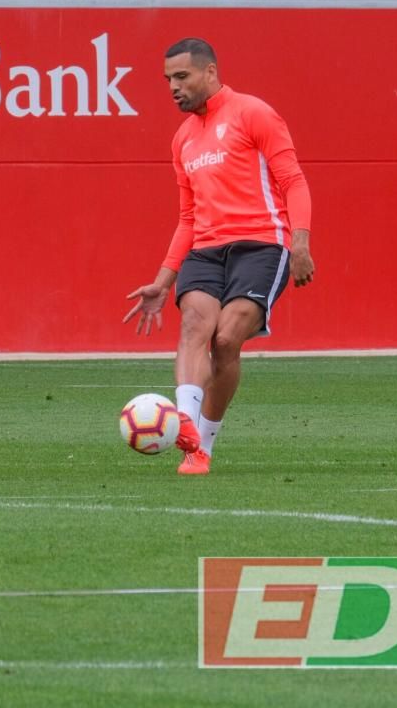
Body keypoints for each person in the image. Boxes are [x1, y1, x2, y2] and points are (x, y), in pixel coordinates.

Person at [124, 38, 315, 476]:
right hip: (206, 250)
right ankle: (186, 430)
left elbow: (293, 180)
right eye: (168, 80)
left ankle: (204, 443)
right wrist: (163, 281)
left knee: (226, 340)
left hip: (261, 244)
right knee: (194, 325)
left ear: (210, 72)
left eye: (182, 76)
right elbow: (188, 217)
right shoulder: (182, 140)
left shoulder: (254, 113)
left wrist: (300, 243)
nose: (173, 87)